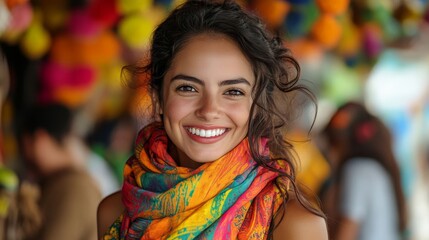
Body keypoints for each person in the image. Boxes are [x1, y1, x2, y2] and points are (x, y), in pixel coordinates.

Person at [97, 0, 328, 239]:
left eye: (233, 92)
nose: (209, 110)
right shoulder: (115, 213)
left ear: (256, 104)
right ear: (158, 98)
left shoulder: (293, 224)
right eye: (187, 88)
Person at [320, 101, 407, 240]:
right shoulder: (373, 168)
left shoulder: (357, 170)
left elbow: (347, 232)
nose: (330, 156)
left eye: (332, 146)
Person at [21, 103, 102, 240]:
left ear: (40, 140)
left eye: (25, 145)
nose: (24, 155)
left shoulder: (73, 189)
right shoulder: (67, 182)